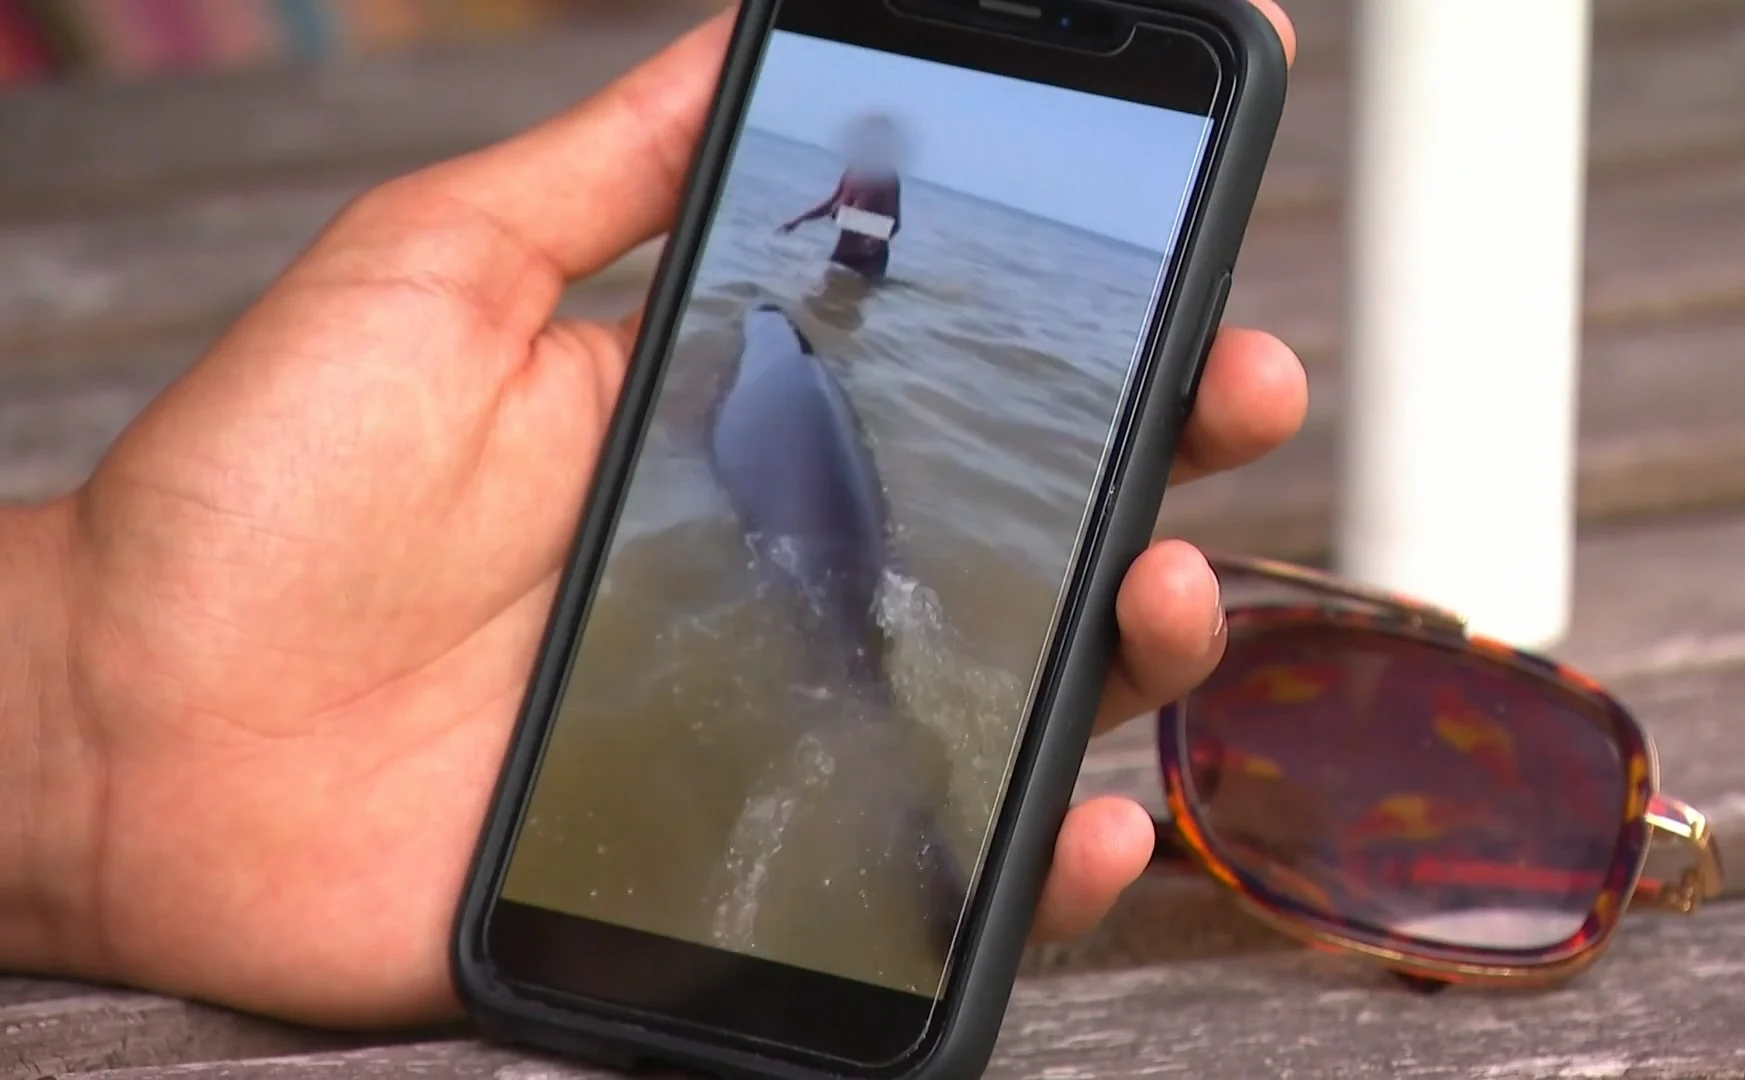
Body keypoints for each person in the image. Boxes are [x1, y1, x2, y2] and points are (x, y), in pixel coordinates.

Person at [0, 1, 1300, 1033]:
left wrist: (78, 730)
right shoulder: (833, 269)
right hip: (832, 508)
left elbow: (848, 254)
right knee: (871, 657)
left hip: (783, 457)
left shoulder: (791, 306)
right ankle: (919, 870)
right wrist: (76, 724)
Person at [778, 113, 904, 280]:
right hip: (841, 254)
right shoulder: (853, 170)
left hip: (867, 264)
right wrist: (798, 220)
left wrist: (874, 239)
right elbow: (832, 203)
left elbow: (894, 224)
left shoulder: (887, 176)